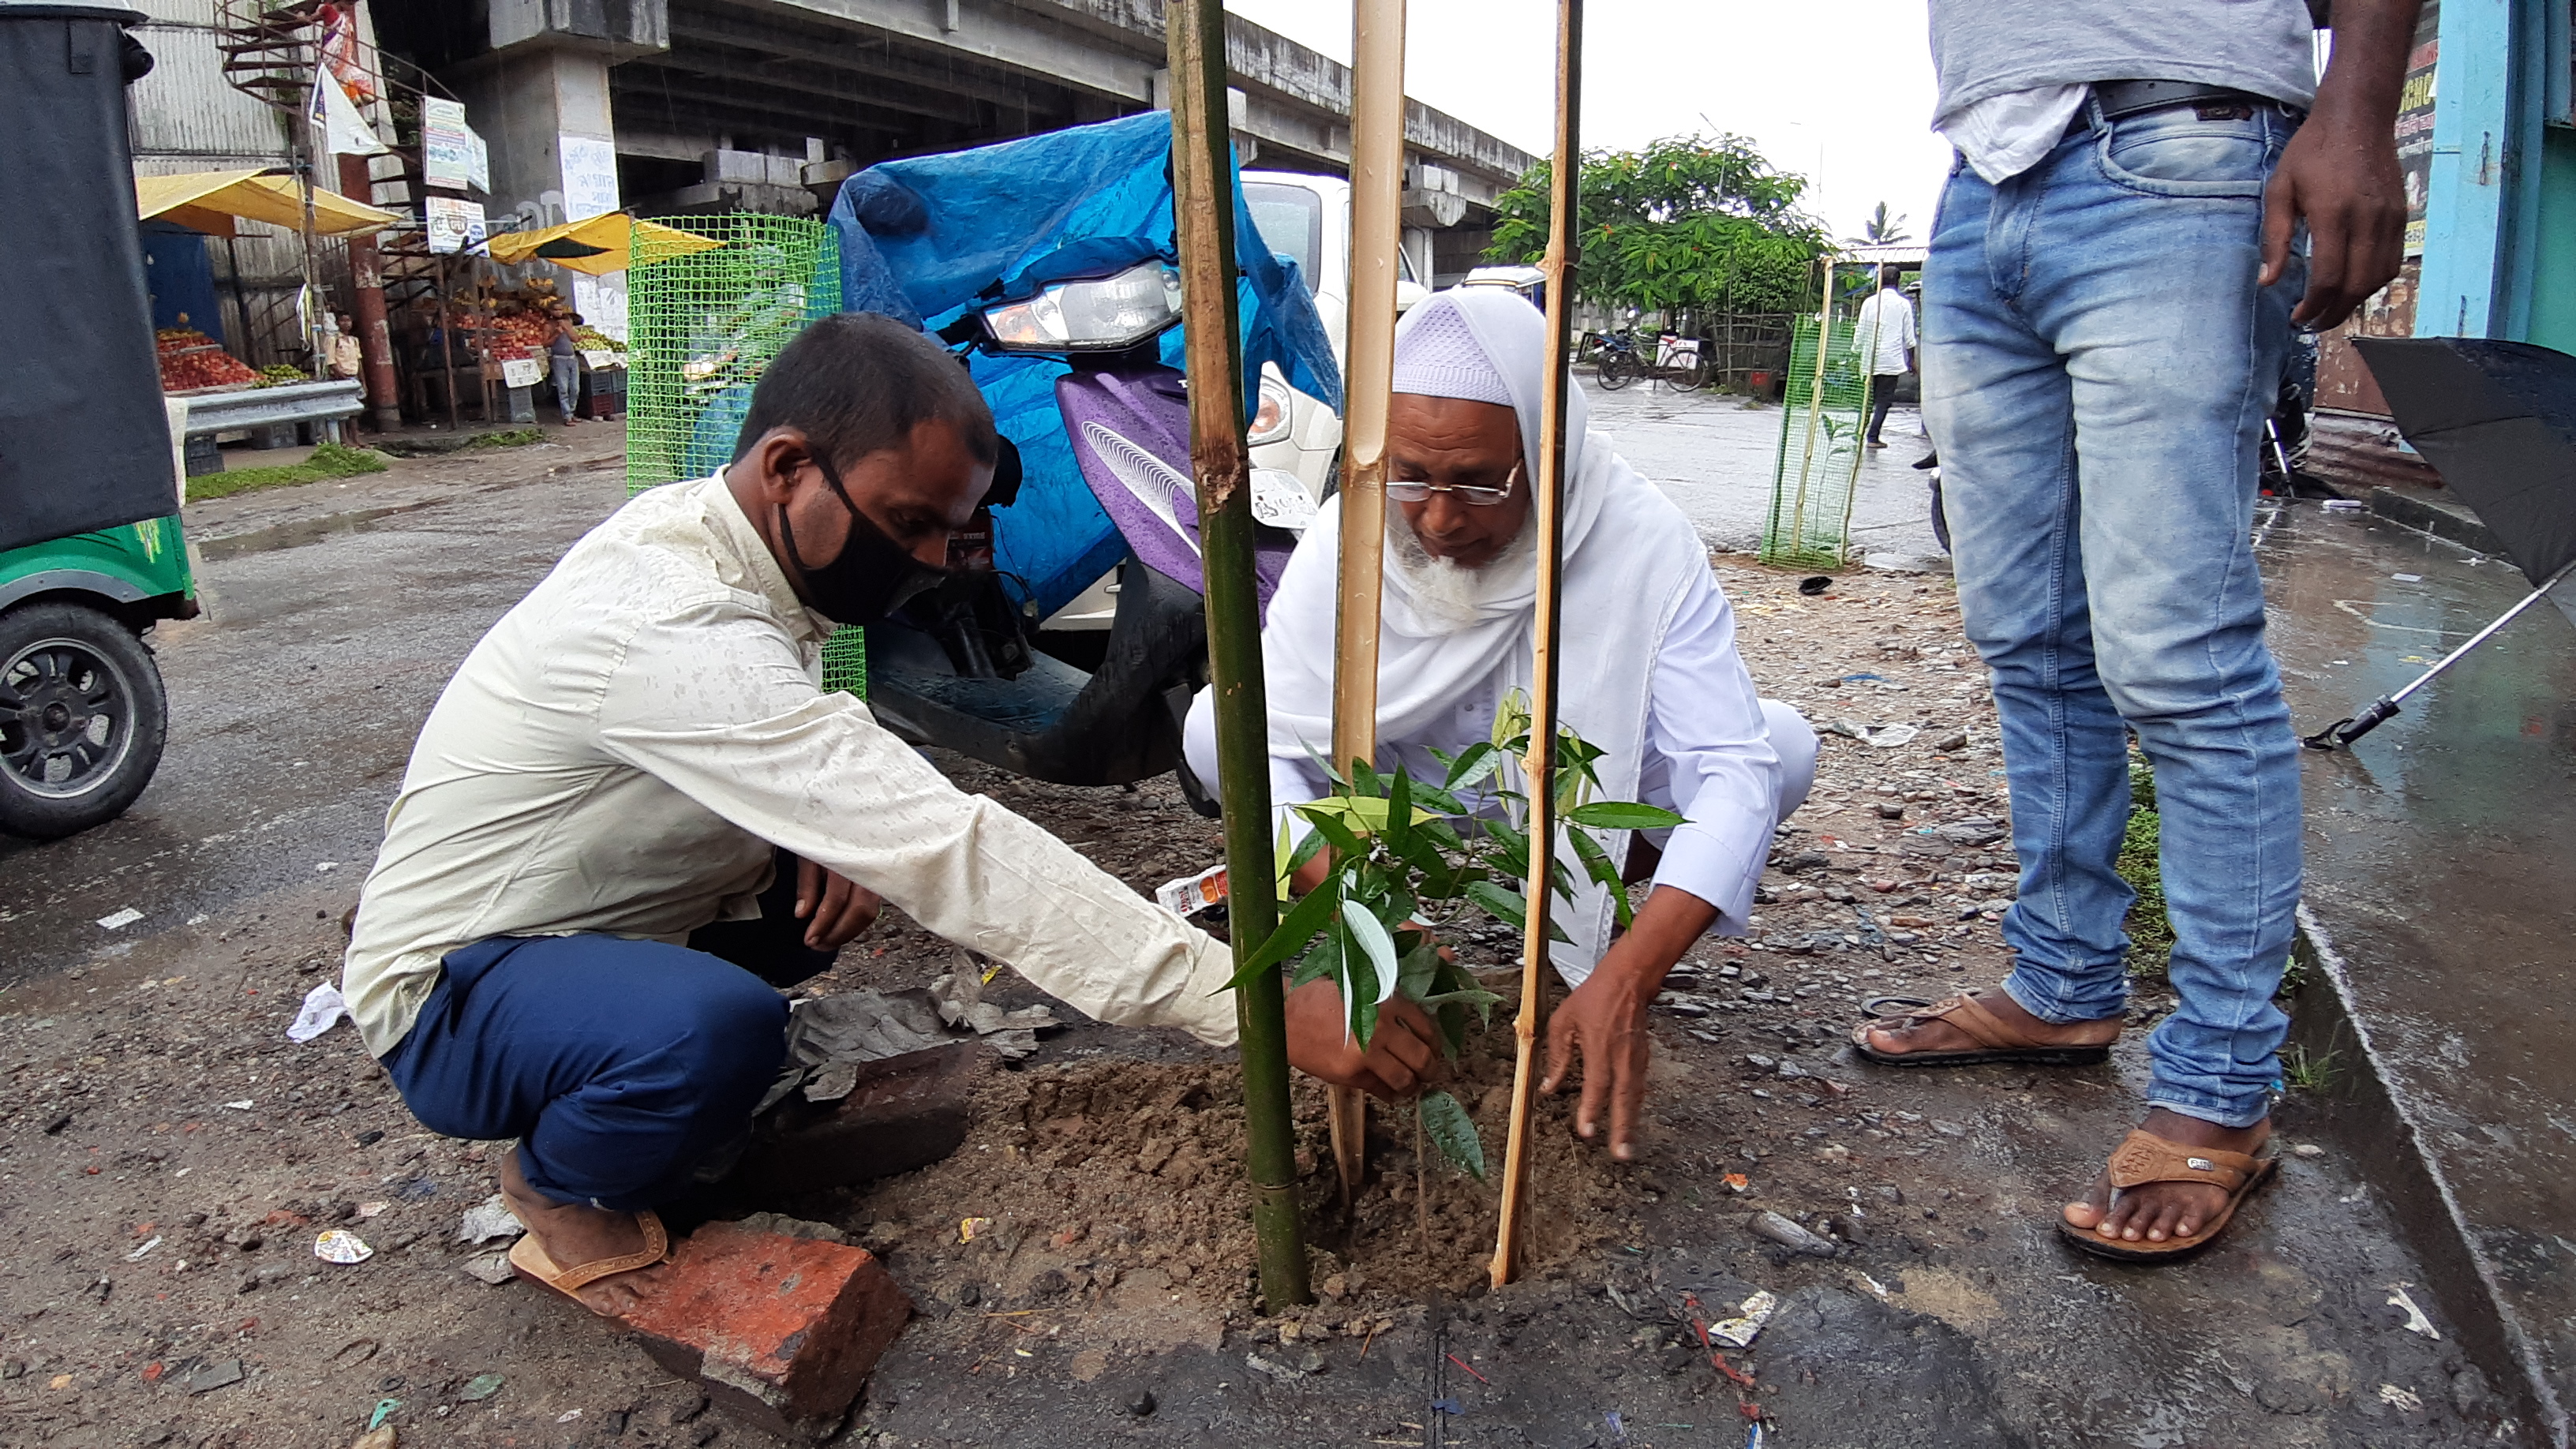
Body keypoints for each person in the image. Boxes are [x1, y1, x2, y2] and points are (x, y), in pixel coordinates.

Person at [342, 313, 1438, 1316]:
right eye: (909, 522)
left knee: (811, 898)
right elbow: (949, 847)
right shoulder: (661, 621)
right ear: (787, 467)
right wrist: (1246, 1000)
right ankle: (554, 1178)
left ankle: (640, 1065)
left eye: (948, 531)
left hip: (583, 916)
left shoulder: (717, 545)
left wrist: (796, 829)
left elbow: (796, 756)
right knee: (717, 1028)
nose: (926, 562)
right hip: (451, 992)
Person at [1858, 0, 2420, 1260]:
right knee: (2028, 634)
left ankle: (2223, 1088)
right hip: (1979, 171)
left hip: (2186, 146)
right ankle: (2062, 984)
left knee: (2179, 655)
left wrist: (2360, 109)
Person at [1187, 287, 1817, 1162]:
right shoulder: (1354, 531)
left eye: (1480, 483)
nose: (1440, 520)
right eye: (1414, 475)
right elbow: (1278, 742)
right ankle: (1397, 914)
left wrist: (1627, 975)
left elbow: (1735, 769)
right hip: (1403, 809)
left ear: (1546, 452)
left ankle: (1602, 940)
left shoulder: (1638, 539)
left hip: (1570, 799)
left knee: (1780, 747)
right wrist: (1379, 934)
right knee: (1216, 731)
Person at [1852, 266, 1915, 447]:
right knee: (1883, 401)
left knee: (1866, 400)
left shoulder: (1869, 303)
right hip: (1891, 360)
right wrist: (1912, 360)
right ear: (1898, 281)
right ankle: (1872, 437)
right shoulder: (1903, 304)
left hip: (1869, 359)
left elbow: (1861, 330)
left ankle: (1857, 434)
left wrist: (1856, 351)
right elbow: (1909, 337)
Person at [549, 312, 584, 426]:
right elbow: (545, 343)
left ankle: (572, 412)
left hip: (572, 359)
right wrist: (556, 333)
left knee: (575, 388)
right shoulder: (548, 326)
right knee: (563, 389)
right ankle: (567, 415)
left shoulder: (568, 324)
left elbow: (575, 339)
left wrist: (567, 329)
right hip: (559, 360)